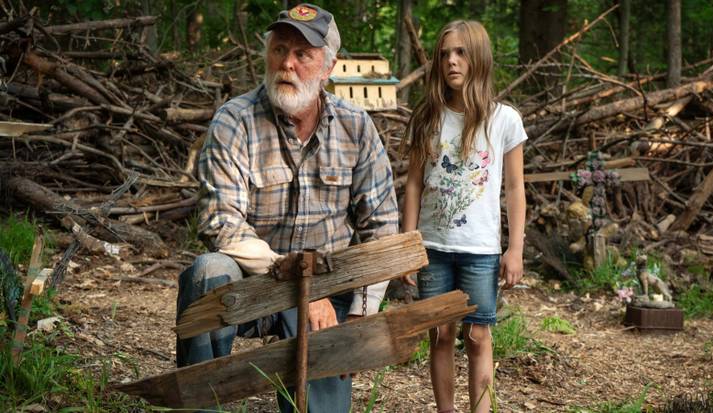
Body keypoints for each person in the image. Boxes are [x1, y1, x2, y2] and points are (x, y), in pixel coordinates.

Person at [176, 4, 398, 412]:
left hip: (327, 294)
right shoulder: (235, 121)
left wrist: (360, 315)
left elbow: (381, 226)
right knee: (208, 271)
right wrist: (296, 282)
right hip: (253, 280)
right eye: (279, 50)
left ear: (327, 67)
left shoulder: (356, 126)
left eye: (302, 55)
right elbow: (220, 221)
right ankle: (201, 402)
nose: (287, 64)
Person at [402, 20, 527, 413]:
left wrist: (515, 249)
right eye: (444, 55)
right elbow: (414, 185)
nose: (451, 62)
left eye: (460, 53)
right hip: (433, 247)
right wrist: (409, 246)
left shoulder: (504, 119)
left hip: (480, 249)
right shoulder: (428, 117)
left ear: (479, 58)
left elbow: (515, 189)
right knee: (440, 335)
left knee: (477, 337)